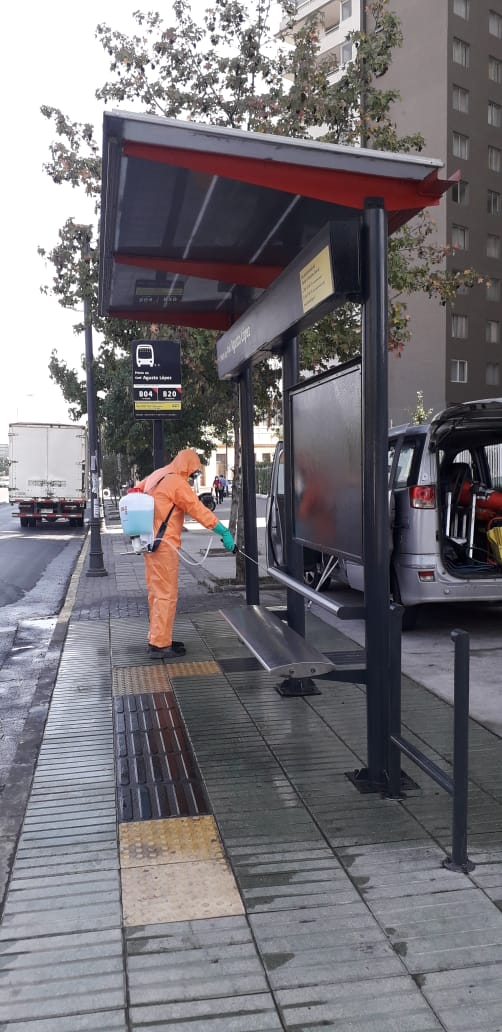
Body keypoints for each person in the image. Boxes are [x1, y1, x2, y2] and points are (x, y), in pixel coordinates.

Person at [134, 449, 235, 659]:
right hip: (164, 546)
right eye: (193, 472)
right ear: (187, 466)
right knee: (166, 595)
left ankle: (158, 638)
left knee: (156, 593)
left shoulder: (157, 474)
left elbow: (136, 490)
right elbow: (197, 509)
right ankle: (161, 645)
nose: (192, 477)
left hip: (149, 543)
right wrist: (222, 531)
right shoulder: (177, 483)